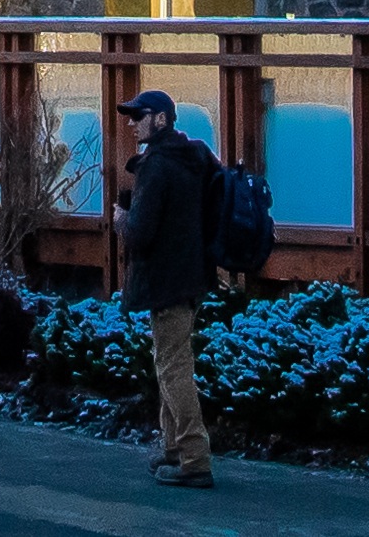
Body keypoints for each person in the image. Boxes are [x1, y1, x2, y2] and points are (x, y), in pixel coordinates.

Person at [111, 85, 219, 488]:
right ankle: (173, 447)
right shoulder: (195, 156)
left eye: (139, 116)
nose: (131, 122)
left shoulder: (156, 165)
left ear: (161, 119)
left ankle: (194, 459)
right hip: (193, 275)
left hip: (167, 280)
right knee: (169, 361)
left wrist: (121, 217)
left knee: (174, 369)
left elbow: (140, 233)